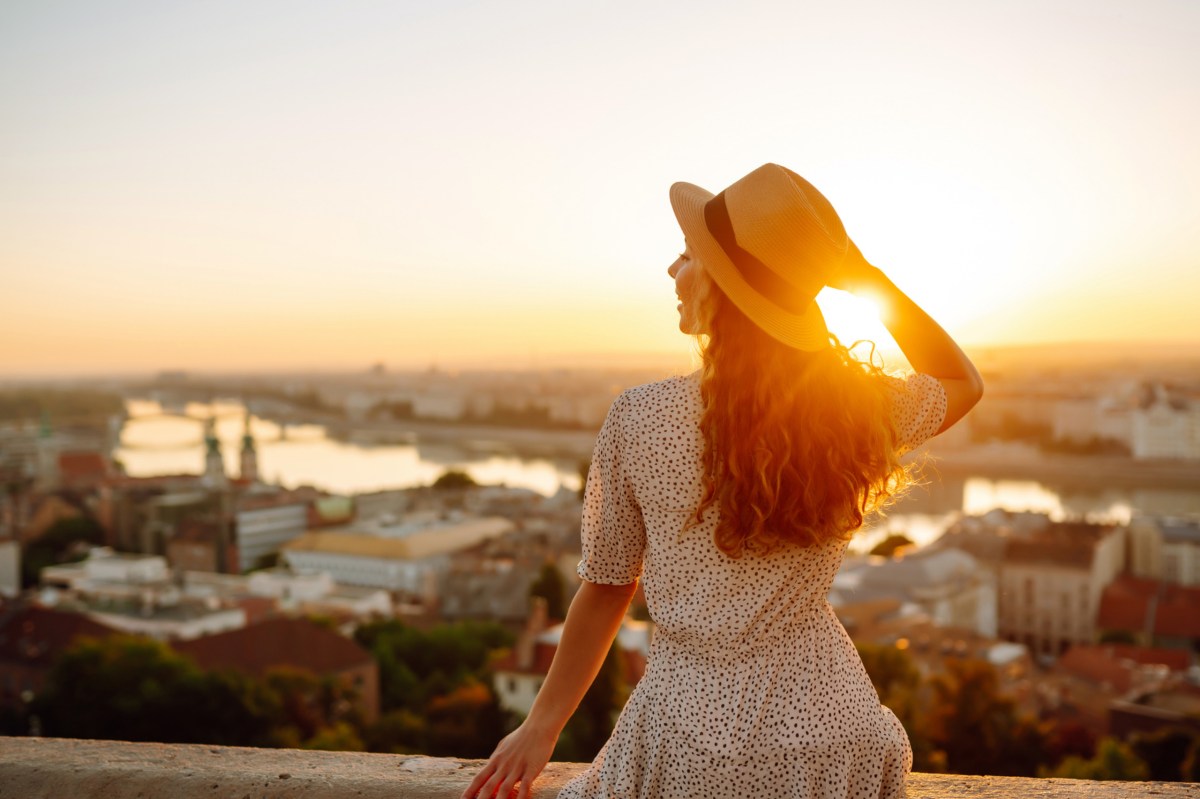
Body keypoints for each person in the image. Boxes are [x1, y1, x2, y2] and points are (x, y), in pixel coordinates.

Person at [461, 164, 983, 799]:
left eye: (687, 256)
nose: (671, 271)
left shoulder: (640, 417)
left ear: (724, 289)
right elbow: (964, 383)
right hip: (834, 737)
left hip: (690, 743)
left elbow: (606, 589)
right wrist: (870, 283)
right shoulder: (853, 414)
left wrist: (541, 728)